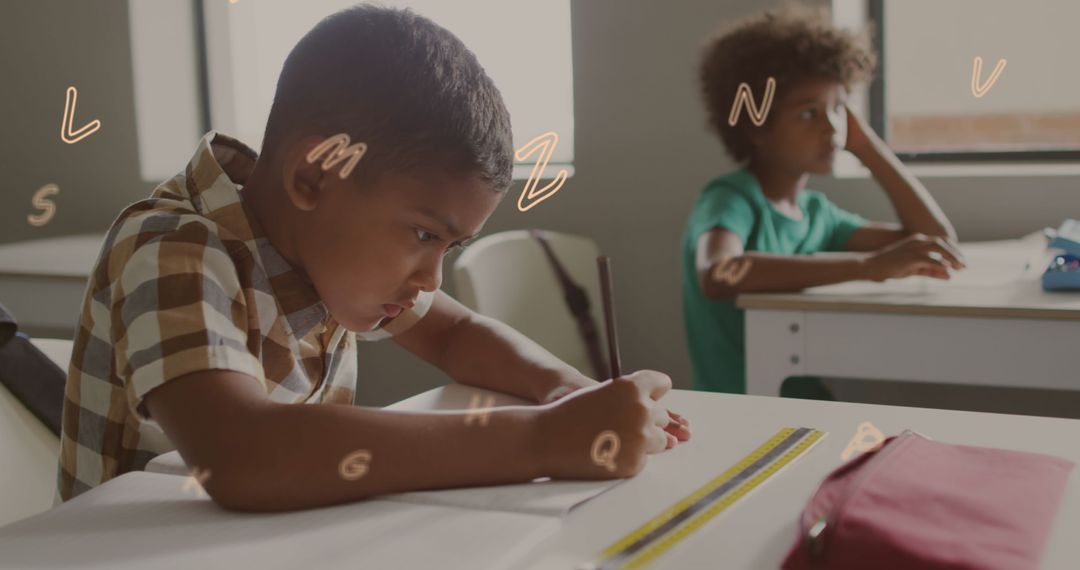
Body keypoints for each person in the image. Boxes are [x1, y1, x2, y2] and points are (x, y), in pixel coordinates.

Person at [58, 4, 690, 510]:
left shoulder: (323, 245)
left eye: (450, 247)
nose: (430, 278)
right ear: (314, 174)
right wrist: (543, 441)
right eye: (423, 235)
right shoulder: (173, 247)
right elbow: (239, 455)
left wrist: (571, 395)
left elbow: (458, 334)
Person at [682, 4, 964, 396]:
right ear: (756, 126)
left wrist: (868, 147)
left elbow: (936, 240)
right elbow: (719, 274)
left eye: (838, 109)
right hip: (746, 403)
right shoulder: (731, 198)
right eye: (808, 113)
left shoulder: (817, 215)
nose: (831, 127)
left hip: (807, 405)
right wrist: (868, 266)